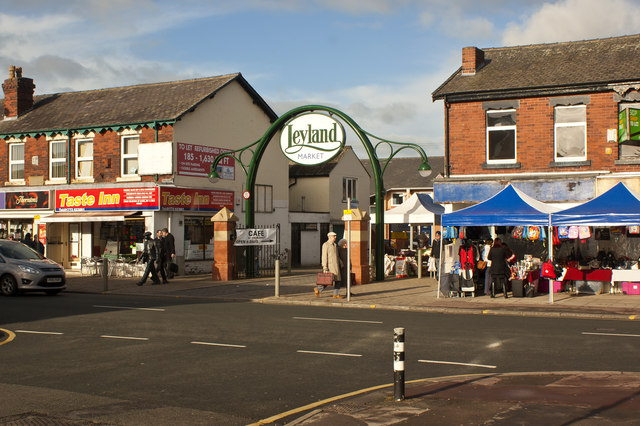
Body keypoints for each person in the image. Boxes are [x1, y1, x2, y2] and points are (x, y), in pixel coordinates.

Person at [317, 231, 342, 298]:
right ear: (329, 237)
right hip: (330, 266)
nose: (335, 237)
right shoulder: (326, 245)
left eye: (335, 236)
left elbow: (337, 256)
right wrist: (324, 266)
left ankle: (336, 294)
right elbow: (324, 256)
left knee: (338, 280)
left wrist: (341, 263)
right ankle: (318, 289)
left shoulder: (335, 245)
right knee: (327, 280)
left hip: (336, 266)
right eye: (334, 236)